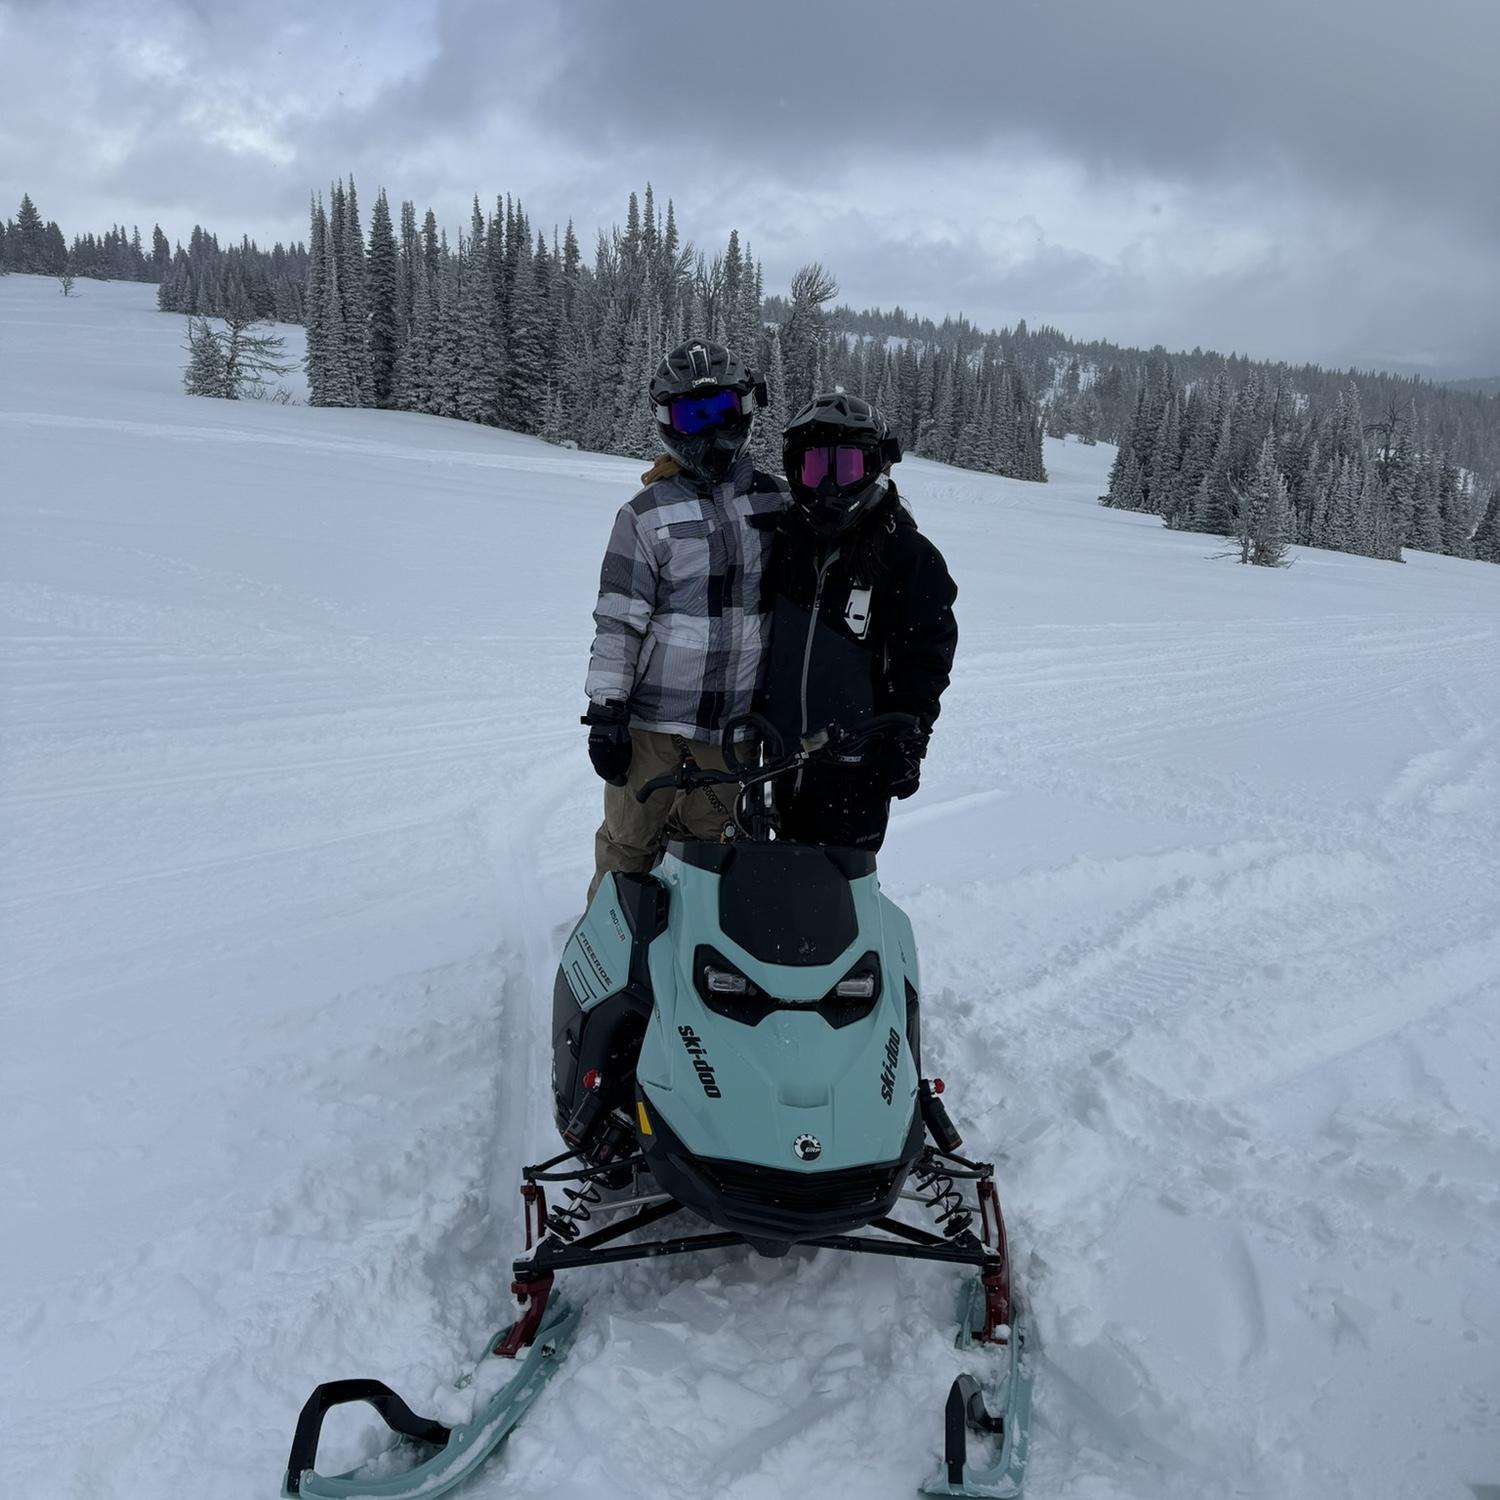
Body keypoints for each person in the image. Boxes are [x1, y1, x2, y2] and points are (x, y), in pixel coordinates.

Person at [584, 339, 789, 900]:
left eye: (718, 412)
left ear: (743, 411)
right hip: (652, 724)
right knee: (628, 847)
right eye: (690, 415)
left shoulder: (776, 502)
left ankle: (700, 972)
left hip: (733, 728)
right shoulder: (645, 515)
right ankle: (607, 964)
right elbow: (618, 621)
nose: (707, 431)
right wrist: (607, 709)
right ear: (666, 422)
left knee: (716, 856)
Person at [758, 392, 957, 851]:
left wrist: (909, 734)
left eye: (845, 468)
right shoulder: (788, 540)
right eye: (814, 469)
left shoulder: (906, 555)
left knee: (836, 892)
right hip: (776, 753)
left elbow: (927, 656)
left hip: (855, 762)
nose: (829, 486)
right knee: (760, 882)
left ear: (874, 468)